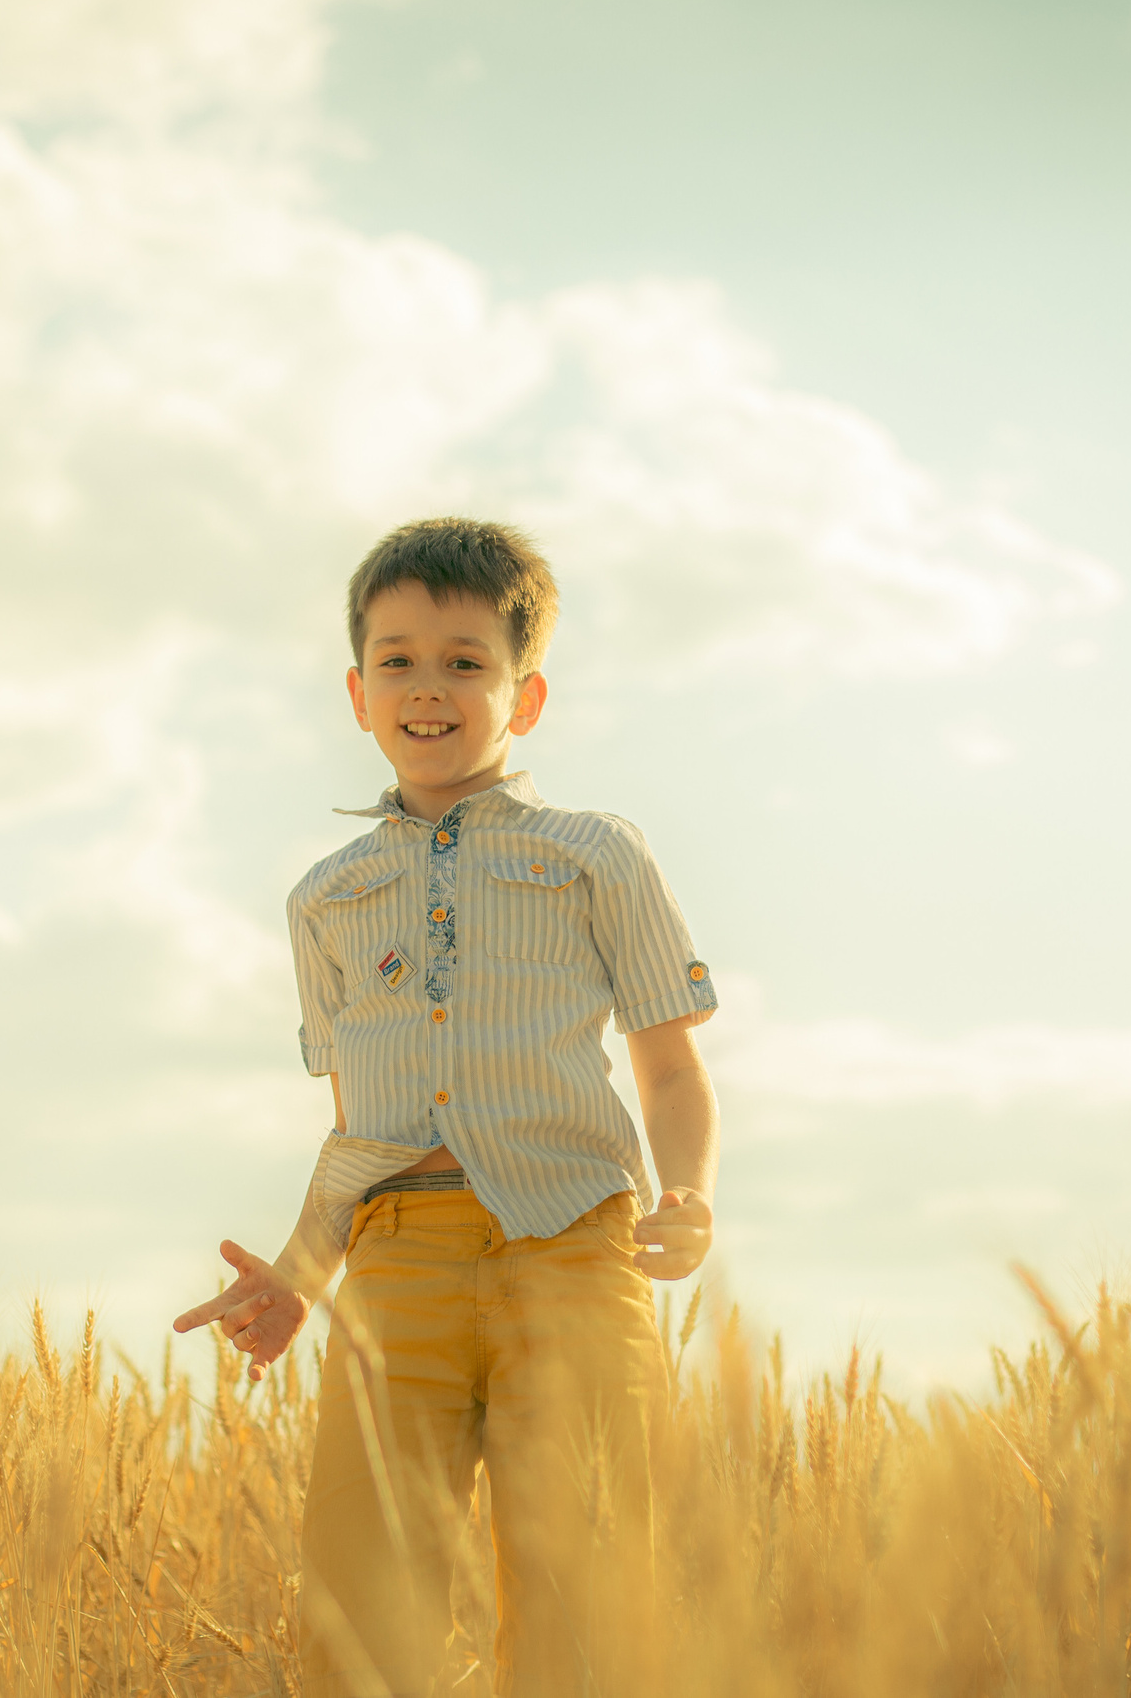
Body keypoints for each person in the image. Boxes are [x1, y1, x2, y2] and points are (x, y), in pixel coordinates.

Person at [172, 517, 721, 1697]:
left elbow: (669, 1070)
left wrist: (690, 1193)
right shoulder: (324, 896)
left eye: (466, 660)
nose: (429, 687)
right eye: (398, 658)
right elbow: (354, 1130)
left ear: (523, 699)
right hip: (395, 1271)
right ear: (358, 691)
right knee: (363, 1620)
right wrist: (296, 1278)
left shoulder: (593, 856)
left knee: (586, 1605)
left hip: (572, 1247)